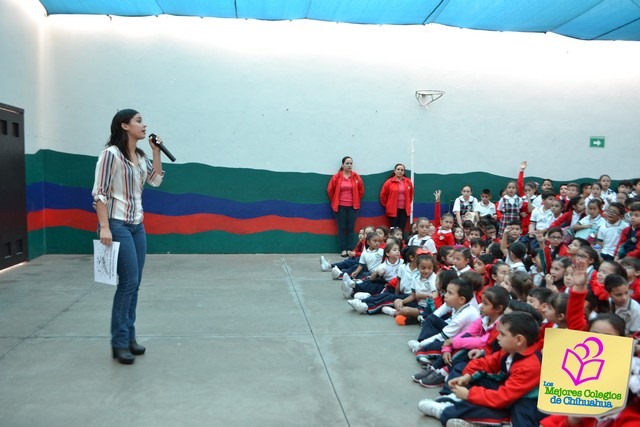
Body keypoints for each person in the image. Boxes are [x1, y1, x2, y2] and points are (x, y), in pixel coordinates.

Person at [92, 109, 164, 365]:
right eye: (138, 121)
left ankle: (129, 337)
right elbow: (99, 193)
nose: (144, 126)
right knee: (128, 282)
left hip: (137, 225)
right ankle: (119, 342)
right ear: (124, 126)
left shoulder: (141, 156)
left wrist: (156, 152)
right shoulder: (110, 155)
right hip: (117, 224)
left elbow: (155, 181)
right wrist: (105, 227)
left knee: (135, 283)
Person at [418, 311, 546, 426]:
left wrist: (469, 395)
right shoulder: (511, 351)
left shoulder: (530, 366)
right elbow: (486, 362)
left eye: (502, 334)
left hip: (526, 404)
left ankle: (447, 411)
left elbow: (503, 398)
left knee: (504, 413)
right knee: (478, 380)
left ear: (519, 340)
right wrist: (467, 376)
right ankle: (457, 406)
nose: (497, 337)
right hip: (511, 393)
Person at [327, 156, 364, 257]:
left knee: (351, 228)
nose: (349, 165)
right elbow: (330, 190)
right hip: (339, 206)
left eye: (351, 163)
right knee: (342, 228)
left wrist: (355, 200)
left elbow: (361, 190)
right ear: (343, 165)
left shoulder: (356, 177)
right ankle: (343, 249)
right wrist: (335, 200)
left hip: (353, 207)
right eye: (347, 163)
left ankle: (350, 249)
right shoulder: (337, 177)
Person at [379, 163, 413, 233]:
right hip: (393, 210)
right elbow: (383, 195)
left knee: (401, 230)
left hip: (404, 210)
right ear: (394, 171)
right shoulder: (389, 182)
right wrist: (388, 205)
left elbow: (411, 194)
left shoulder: (408, 182)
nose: (400, 171)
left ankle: (401, 243)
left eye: (402, 170)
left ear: (404, 172)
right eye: (398, 169)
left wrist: (407, 204)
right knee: (393, 229)